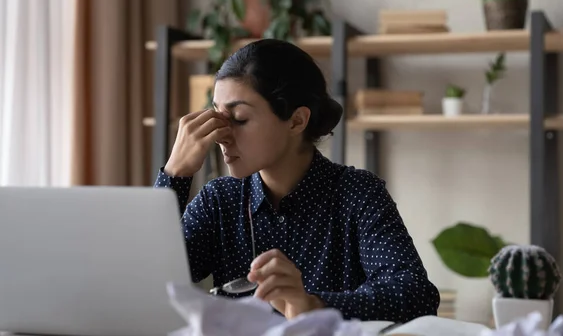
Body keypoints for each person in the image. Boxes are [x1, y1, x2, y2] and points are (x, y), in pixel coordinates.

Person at [154, 39, 440, 322]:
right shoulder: (219, 200)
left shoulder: (358, 194)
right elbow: (149, 283)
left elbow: (415, 295)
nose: (222, 135)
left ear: (296, 121)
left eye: (239, 118)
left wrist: (312, 305)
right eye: (218, 116)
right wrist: (175, 175)